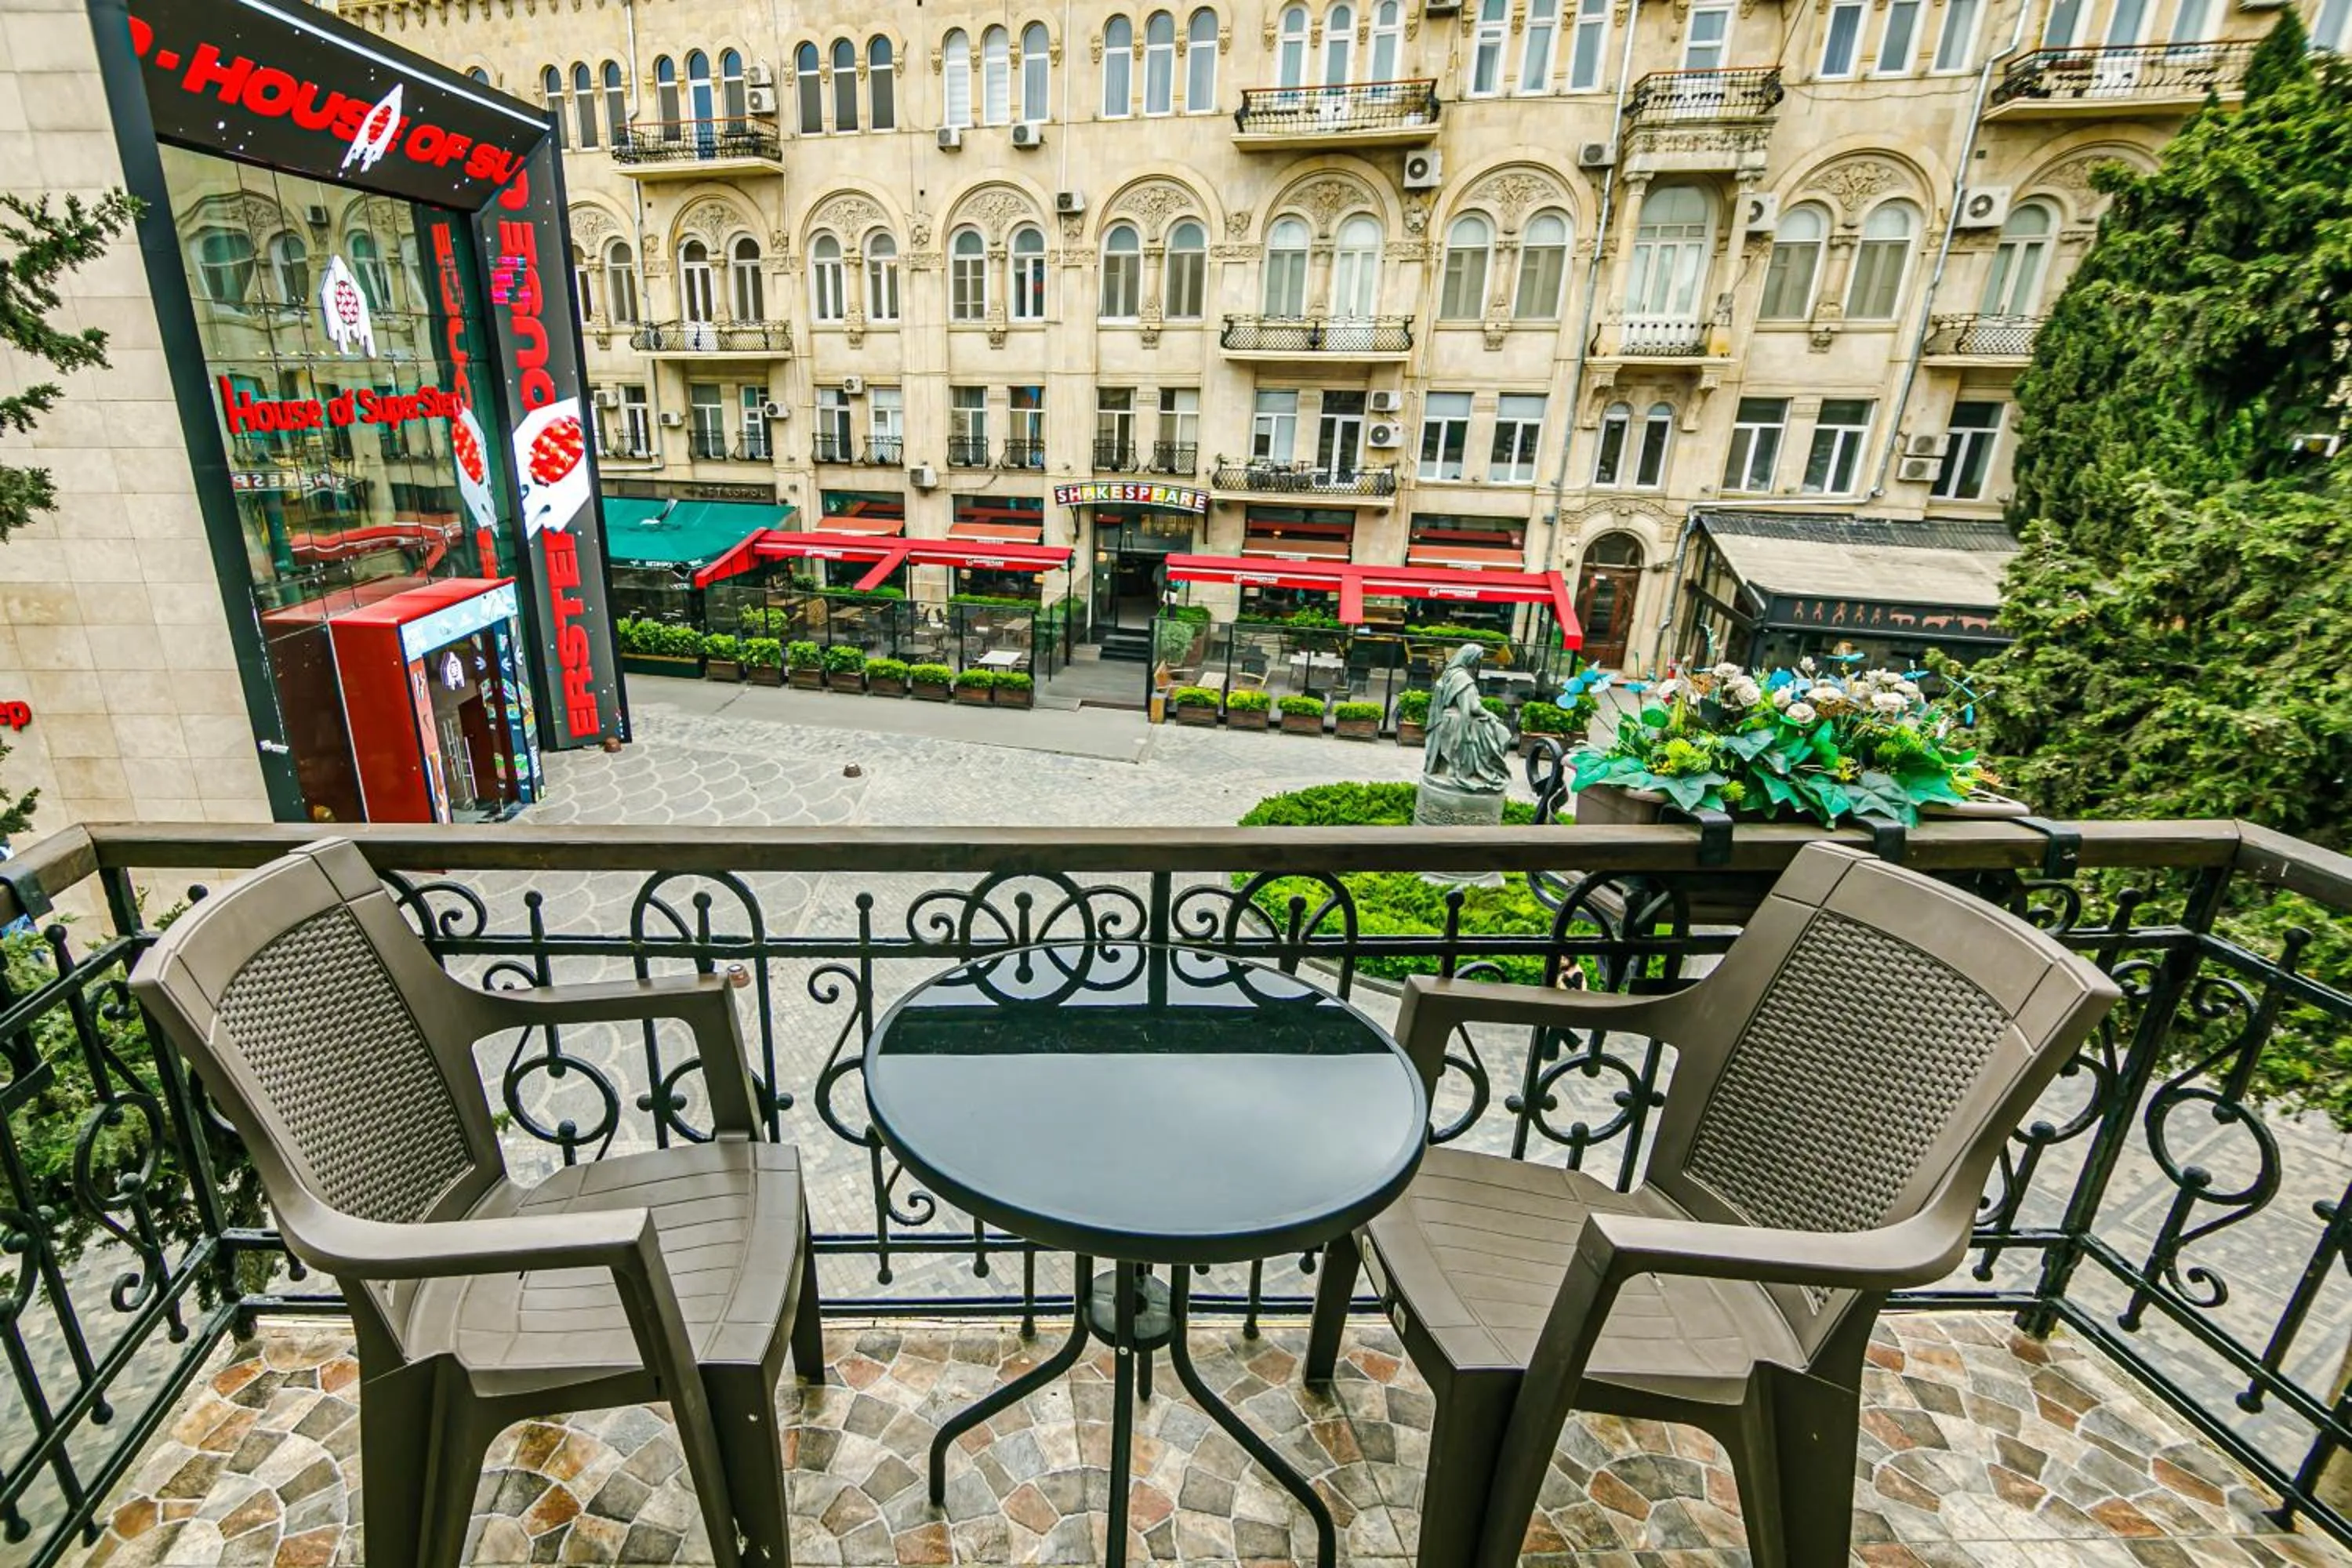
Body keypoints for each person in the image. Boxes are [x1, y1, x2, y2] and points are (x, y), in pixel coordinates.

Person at [1422, 644, 1512, 793]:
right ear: (1470, 659)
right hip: (1460, 720)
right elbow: (1473, 708)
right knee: (1502, 733)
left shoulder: (1449, 673)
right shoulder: (1463, 679)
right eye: (1477, 659)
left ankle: (1464, 767)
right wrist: (1490, 715)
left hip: (1447, 718)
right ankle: (1482, 768)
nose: (1477, 663)